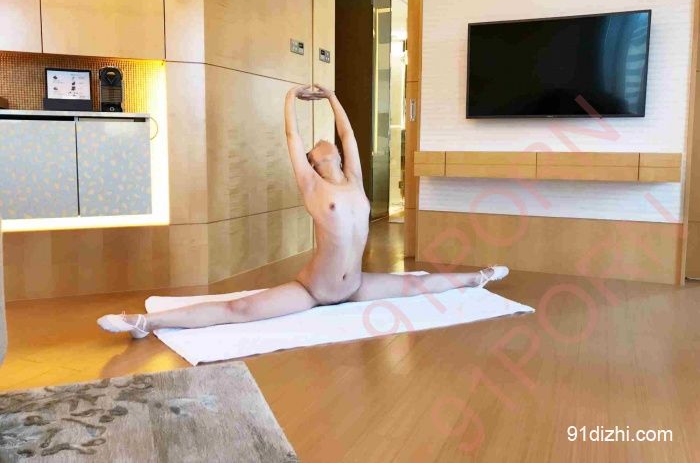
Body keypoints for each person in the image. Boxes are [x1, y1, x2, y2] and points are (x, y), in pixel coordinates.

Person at [98, 85, 508, 338]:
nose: (322, 142)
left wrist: (331, 96)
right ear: (312, 160)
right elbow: (291, 135)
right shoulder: (312, 185)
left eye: (327, 142)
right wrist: (290, 97)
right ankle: (144, 323)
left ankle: (479, 276)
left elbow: (347, 132)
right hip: (314, 290)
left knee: (417, 284)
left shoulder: (354, 179)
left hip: (354, 285)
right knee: (240, 310)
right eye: (314, 147)